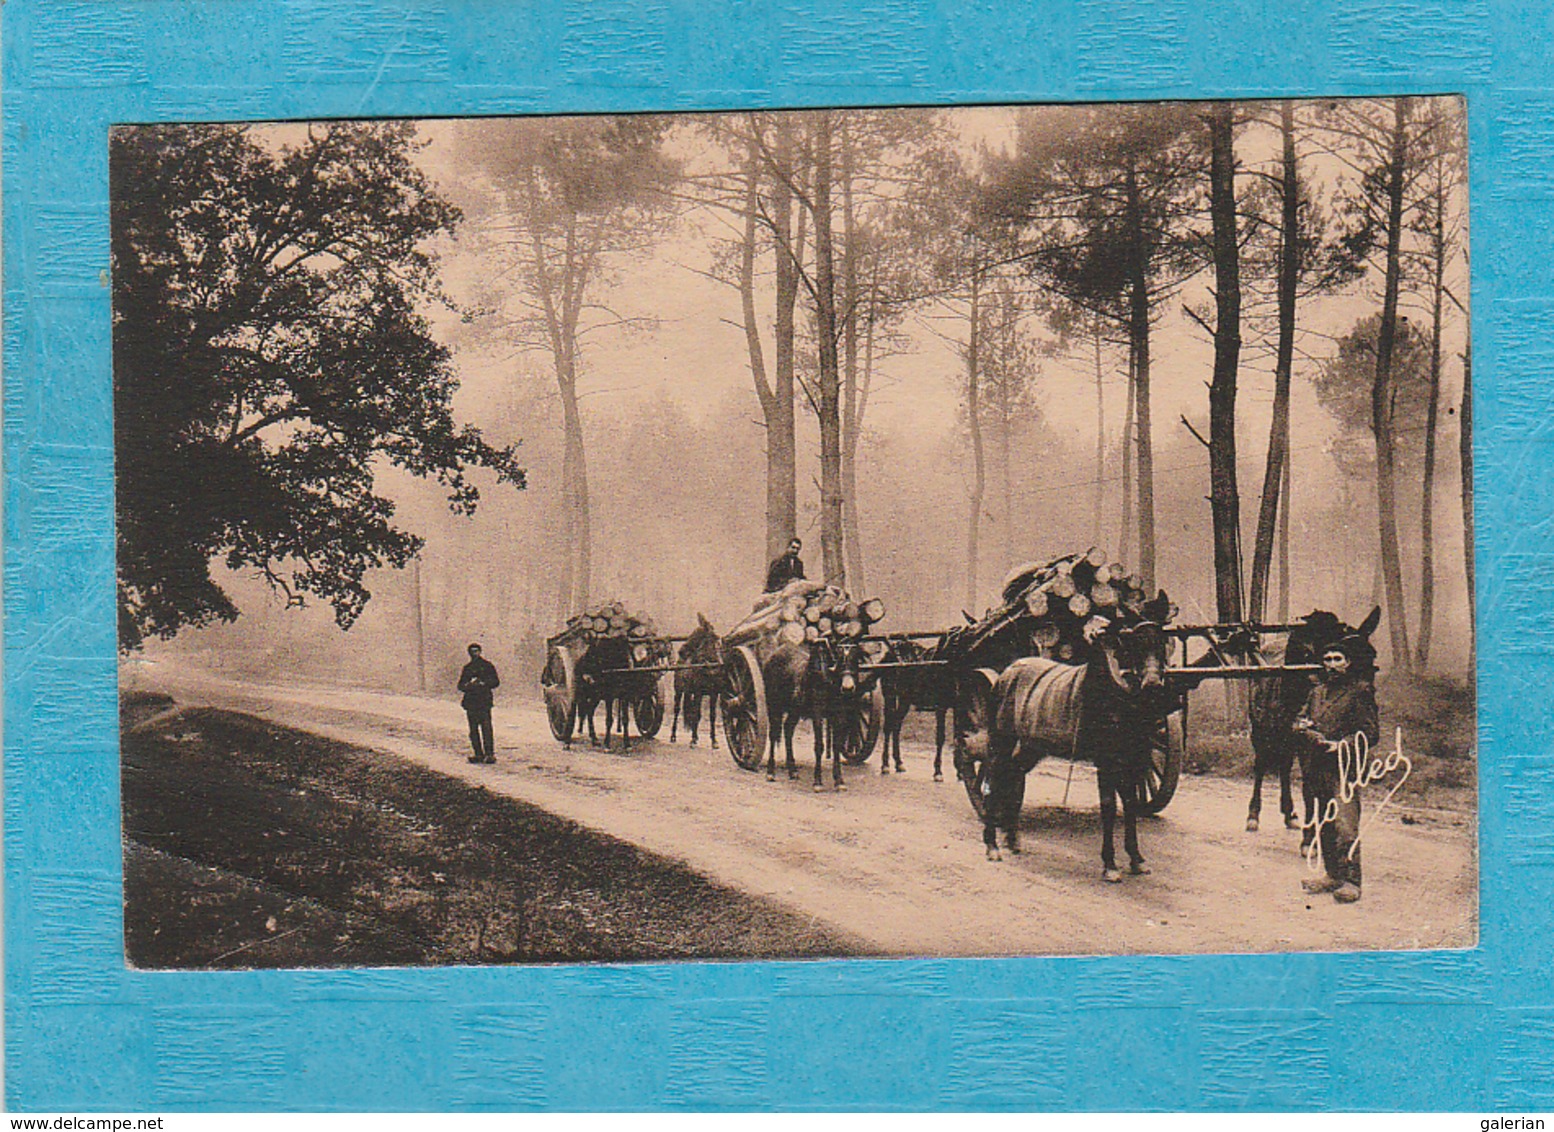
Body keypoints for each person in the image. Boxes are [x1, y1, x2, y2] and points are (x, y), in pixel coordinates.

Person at [1292, 634, 1379, 905]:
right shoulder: (1315, 692)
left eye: (1337, 659)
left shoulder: (1360, 691)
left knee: (1345, 824)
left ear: (1348, 662)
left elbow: (1370, 733)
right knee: (1324, 823)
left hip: (1345, 768)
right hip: (1317, 766)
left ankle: (1352, 881)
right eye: (1327, 660)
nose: (1331, 664)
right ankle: (1332, 875)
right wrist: (1301, 726)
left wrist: (1341, 745)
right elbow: (1301, 717)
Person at [458, 643, 500, 764]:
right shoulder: (467, 668)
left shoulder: (487, 666)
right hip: (471, 702)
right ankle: (478, 754)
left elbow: (496, 682)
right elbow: (460, 685)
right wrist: (468, 685)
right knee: (473, 730)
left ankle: (489, 754)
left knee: (486, 728)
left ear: (480, 652)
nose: (474, 654)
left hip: (484, 701)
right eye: (472, 651)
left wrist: (483, 683)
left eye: (476, 651)